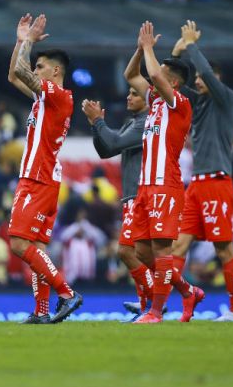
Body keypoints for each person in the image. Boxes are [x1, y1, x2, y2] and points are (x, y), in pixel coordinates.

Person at [7, 13, 82, 324]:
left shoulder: (59, 96)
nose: (35, 71)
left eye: (41, 67)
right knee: (35, 246)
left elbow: (22, 71)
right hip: (42, 178)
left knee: (18, 244)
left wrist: (28, 41)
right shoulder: (44, 99)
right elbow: (14, 75)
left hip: (38, 178)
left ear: (56, 70)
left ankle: (67, 293)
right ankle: (41, 311)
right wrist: (19, 41)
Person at [170, 20, 233, 321]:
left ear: (214, 78)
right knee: (179, 245)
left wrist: (191, 45)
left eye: (202, 77)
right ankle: (176, 300)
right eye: (197, 79)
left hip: (217, 181)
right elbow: (171, 81)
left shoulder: (227, 99)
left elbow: (206, 77)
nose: (197, 82)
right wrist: (176, 52)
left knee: (223, 248)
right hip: (196, 186)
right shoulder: (198, 105)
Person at [124, 21, 197, 324]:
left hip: (165, 185)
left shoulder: (179, 103)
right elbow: (131, 75)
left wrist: (151, 49)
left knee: (161, 249)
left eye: (164, 76)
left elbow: (153, 74)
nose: (157, 78)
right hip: (145, 186)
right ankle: (187, 291)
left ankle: (155, 312)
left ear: (174, 83)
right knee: (141, 252)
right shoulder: (155, 101)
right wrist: (141, 50)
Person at [82, 86, 160, 317]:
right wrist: (96, 125)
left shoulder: (145, 122)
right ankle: (148, 301)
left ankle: (156, 298)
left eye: (135, 93)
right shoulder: (133, 121)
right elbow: (106, 151)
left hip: (139, 194)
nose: (128, 97)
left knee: (127, 252)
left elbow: (114, 143)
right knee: (138, 253)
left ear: (148, 98)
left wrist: (98, 122)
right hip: (131, 194)